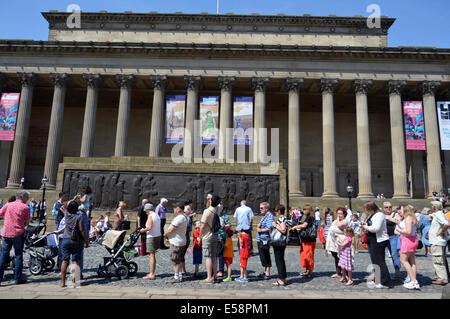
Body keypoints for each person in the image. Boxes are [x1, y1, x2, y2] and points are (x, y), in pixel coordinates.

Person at [0, 190, 31, 285]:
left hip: (6, 232)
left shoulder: (8, 205)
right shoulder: (25, 207)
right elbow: (27, 222)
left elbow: (0, 213)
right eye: (27, 197)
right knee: (18, 255)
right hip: (18, 233)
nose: (28, 199)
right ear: (22, 197)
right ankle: (17, 278)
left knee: (4, 255)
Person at [361, 201, 393, 289]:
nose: (366, 212)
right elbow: (371, 225)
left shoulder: (379, 215)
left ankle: (385, 281)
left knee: (380, 261)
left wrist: (365, 227)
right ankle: (379, 280)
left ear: (371, 208)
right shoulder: (373, 215)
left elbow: (376, 228)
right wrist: (365, 224)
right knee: (375, 261)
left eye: (367, 210)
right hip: (372, 240)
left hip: (378, 240)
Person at [57, 200, 89, 288]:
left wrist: (72, 200)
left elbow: (63, 207)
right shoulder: (79, 217)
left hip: (65, 239)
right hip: (76, 240)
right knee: (75, 261)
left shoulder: (66, 214)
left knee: (65, 261)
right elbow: (82, 230)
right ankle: (74, 283)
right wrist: (86, 241)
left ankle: (62, 282)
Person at [395, 205, 420, 289]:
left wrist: (399, 230)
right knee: (412, 261)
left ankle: (413, 281)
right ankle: (414, 280)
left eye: (401, 209)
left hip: (407, 240)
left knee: (403, 260)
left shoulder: (408, 218)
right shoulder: (411, 217)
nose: (399, 211)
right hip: (411, 240)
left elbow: (408, 232)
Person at [199, 195, 221, 284]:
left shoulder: (207, 211)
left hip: (207, 236)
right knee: (214, 257)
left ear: (211, 201)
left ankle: (209, 277)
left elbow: (203, 225)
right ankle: (215, 276)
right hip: (215, 235)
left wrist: (200, 236)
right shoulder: (218, 210)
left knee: (208, 257)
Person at [164, 202, 188, 283]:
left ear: (178, 209)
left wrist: (165, 235)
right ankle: (179, 275)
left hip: (176, 242)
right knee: (180, 259)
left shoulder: (179, 218)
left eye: (174, 208)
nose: (174, 210)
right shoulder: (185, 216)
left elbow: (171, 229)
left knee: (175, 260)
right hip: (181, 240)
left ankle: (176, 276)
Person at [428, 201, 449, 285]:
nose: (431, 207)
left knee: (438, 261)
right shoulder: (440, 214)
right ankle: (443, 276)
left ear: (434, 207)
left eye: (432, 206)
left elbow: (447, 224)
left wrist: (442, 232)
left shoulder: (439, 214)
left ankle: (442, 279)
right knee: (441, 260)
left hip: (438, 241)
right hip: (438, 241)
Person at [293, 204, 316, 278]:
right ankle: (307, 270)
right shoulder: (309, 217)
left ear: (308, 210)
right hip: (307, 240)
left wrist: (296, 227)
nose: (303, 211)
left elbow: (304, 226)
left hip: (309, 240)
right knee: (306, 255)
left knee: (308, 256)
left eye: (304, 209)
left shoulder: (309, 217)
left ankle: (310, 271)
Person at [139, 203, 161, 280]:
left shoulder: (150, 216)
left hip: (151, 237)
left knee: (151, 255)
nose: (145, 212)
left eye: (146, 211)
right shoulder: (157, 215)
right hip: (157, 235)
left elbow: (149, 227)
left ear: (148, 210)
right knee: (153, 254)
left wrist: (142, 230)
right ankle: (152, 272)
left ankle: (151, 274)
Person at [325, 207, 348, 279]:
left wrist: (338, 219)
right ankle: (338, 272)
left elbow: (340, 225)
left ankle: (346, 274)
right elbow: (332, 224)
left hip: (340, 241)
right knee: (336, 257)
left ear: (344, 214)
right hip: (333, 242)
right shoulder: (336, 220)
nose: (339, 215)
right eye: (338, 213)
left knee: (342, 257)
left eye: (340, 213)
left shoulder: (345, 221)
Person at [270, 204, 288, 286]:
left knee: (279, 261)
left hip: (279, 242)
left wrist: (275, 225)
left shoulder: (282, 219)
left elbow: (283, 230)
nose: (275, 212)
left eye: (276, 211)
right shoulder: (282, 218)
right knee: (280, 260)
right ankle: (283, 278)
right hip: (279, 243)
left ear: (279, 211)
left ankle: (282, 279)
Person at [383, 201, 402, 278]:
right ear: (384, 208)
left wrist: (390, 218)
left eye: (390, 207)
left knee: (394, 254)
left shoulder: (395, 214)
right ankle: (383, 272)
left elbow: (399, 223)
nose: (389, 208)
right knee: (381, 256)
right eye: (387, 207)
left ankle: (397, 271)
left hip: (393, 237)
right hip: (384, 237)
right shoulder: (382, 215)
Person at [256, 202, 274, 280]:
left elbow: (270, 227)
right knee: (262, 256)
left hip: (265, 239)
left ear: (266, 208)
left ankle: (267, 272)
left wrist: (260, 230)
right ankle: (265, 271)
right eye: (260, 208)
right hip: (260, 238)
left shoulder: (269, 216)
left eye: (262, 208)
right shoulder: (264, 216)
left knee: (266, 255)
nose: (260, 209)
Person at [181, 201, 195, 276]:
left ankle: (182, 271)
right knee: (181, 255)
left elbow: (187, 230)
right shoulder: (186, 218)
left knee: (181, 255)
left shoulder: (186, 219)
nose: (188, 210)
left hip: (184, 239)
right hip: (186, 239)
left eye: (189, 209)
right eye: (187, 209)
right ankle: (183, 270)